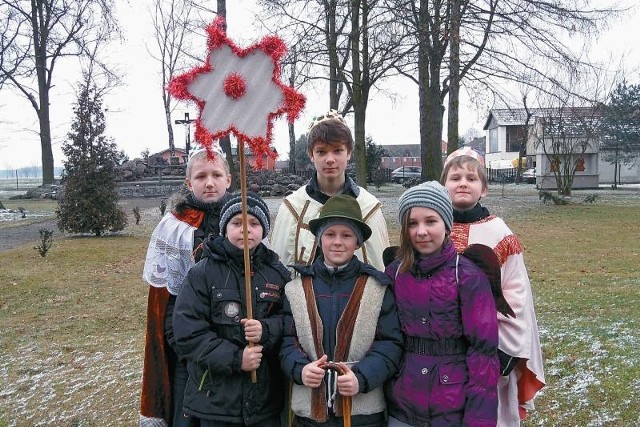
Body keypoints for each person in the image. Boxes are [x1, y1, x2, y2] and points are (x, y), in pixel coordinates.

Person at [441, 148, 545, 425]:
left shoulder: (500, 233)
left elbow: (516, 294)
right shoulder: (431, 227)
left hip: (490, 344)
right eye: (455, 177)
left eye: (471, 178)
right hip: (440, 346)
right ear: (443, 185)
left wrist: (506, 349)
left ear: (484, 189)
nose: (463, 183)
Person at [280, 194, 403, 427]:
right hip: (310, 414)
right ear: (319, 239)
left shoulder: (377, 288)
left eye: (346, 235)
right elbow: (288, 341)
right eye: (330, 234)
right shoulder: (296, 289)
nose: (338, 242)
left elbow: (390, 343)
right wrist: (300, 369)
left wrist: (362, 377)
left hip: (362, 414)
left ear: (358, 242)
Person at [385, 181, 499, 426]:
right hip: (402, 405)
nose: (421, 231)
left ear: (447, 225)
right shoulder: (394, 273)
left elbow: (483, 353)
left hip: (450, 406)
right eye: (412, 224)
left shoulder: (466, 276)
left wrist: (479, 419)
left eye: (431, 221)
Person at [172, 192, 291, 426]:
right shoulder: (202, 273)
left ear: (264, 230)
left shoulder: (277, 273)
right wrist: (237, 359)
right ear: (225, 227)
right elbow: (188, 333)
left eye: (254, 223)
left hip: (264, 402)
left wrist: (266, 330)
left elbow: (291, 320)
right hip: (215, 401)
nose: (245, 230)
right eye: (237, 223)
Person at [140, 148, 232, 427]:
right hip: (188, 347)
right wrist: (180, 343)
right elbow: (166, 299)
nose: (209, 182)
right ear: (189, 183)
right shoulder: (175, 227)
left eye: (216, 175)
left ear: (228, 180)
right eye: (201, 176)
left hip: (233, 342)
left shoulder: (243, 221)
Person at [270, 110, 390, 274]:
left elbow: (379, 268)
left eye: (337, 150)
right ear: (311, 155)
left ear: (349, 153)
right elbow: (279, 268)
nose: (330, 159)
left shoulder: (368, 207)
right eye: (321, 151)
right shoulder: (292, 207)